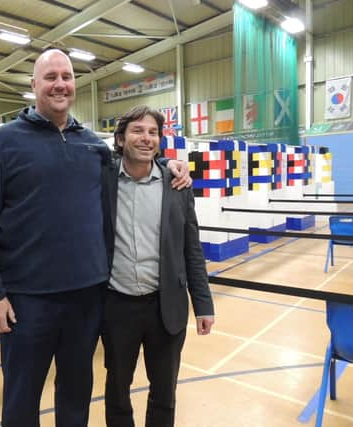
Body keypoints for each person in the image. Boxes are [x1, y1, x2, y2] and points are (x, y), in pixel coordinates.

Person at [0, 49, 191, 427]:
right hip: (26, 301)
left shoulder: (92, 146)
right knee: (22, 400)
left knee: (75, 396)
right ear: (34, 85)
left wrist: (169, 164)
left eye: (66, 77)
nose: (59, 84)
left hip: (86, 300)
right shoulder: (4, 141)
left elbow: (134, 164)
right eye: (50, 76)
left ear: (74, 84)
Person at [101, 105, 215, 427]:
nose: (146, 138)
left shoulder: (176, 184)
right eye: (137, 131)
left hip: (166, 308)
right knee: (117, 391)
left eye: (153, 132)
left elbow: (192, 248)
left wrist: (203, 305)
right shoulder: (104, 180)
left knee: (164, 393)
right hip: (117, 307)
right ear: (121, 139)